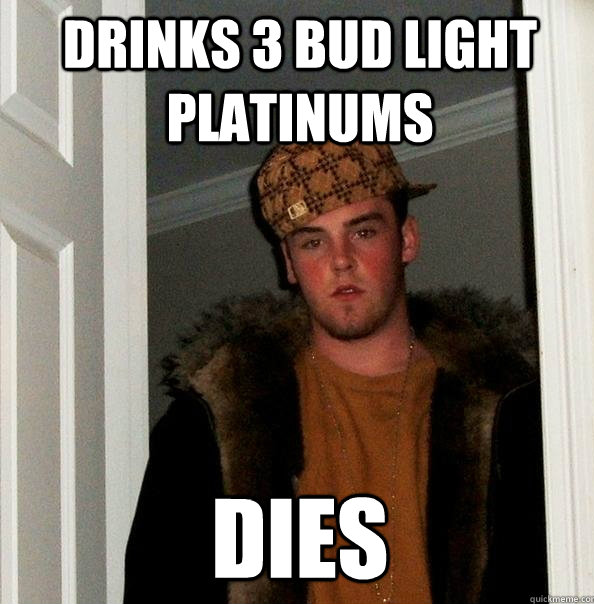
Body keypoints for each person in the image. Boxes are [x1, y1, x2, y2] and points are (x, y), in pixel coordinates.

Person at [124, 142, 546, 604]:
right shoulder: (212, 423)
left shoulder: (514, 411)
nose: (340, 259)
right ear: (289, 264)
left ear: (406, 240)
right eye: (313, 241)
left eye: (362, 232)